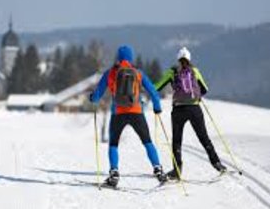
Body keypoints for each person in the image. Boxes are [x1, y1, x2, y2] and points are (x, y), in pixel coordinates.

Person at [89, 45, 167, 187]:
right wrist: (157, 107)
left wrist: (92, 98)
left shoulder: (110, 73)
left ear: (118, 57)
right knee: (147, 141)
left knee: (113, 144)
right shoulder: (138, 73)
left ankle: (114, 172)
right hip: (137, 112)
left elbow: (97, 96)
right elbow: (154, 92)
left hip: (118, 113)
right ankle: (158, 169)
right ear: (131, 57)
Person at [155, 47, 227, 180]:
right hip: (195, 109)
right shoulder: (195, 71)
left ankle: (177, 171)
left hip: (178, 109)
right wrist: (197, 96)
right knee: (203, 137)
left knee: (177, 141)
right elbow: (204, 89)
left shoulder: (172, 72)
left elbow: (157, 87)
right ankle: (217, 164)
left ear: (178, 59)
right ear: (189, 59)